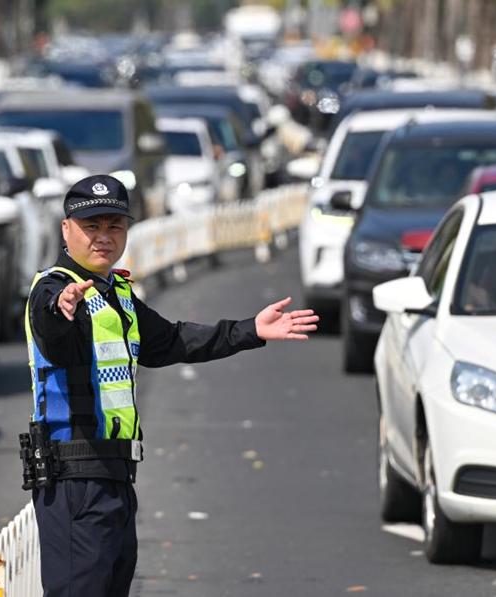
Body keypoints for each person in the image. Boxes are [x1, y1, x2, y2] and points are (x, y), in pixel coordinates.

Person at [23, 174, 319, 597]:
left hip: (115, 479)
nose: (103, 237)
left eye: (114, 227)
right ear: (66, 229)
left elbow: (173, 340)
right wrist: (61, 306)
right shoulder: (54, 289)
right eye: (92, 227)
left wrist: (250, 329)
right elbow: (52, 328)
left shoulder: (115, 294)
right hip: (75, 481)